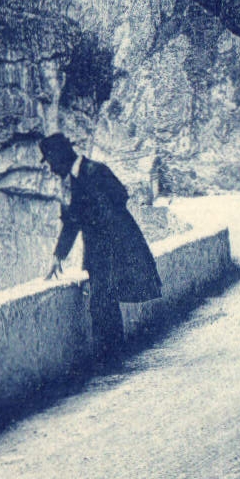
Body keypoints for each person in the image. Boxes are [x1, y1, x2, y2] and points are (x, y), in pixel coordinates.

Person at [39, 133, 162, 361]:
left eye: (49, 161)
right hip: (103, 249)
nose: (50, 168)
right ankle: (114, 357)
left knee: (103, 301)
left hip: (111, 248)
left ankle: (112, 359)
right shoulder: (80, 177)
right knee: (104, 301)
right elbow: (75, 219)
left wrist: (91, 218)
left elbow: (117, 198)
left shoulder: (93, 172)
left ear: (59, 156)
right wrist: (58, 256)